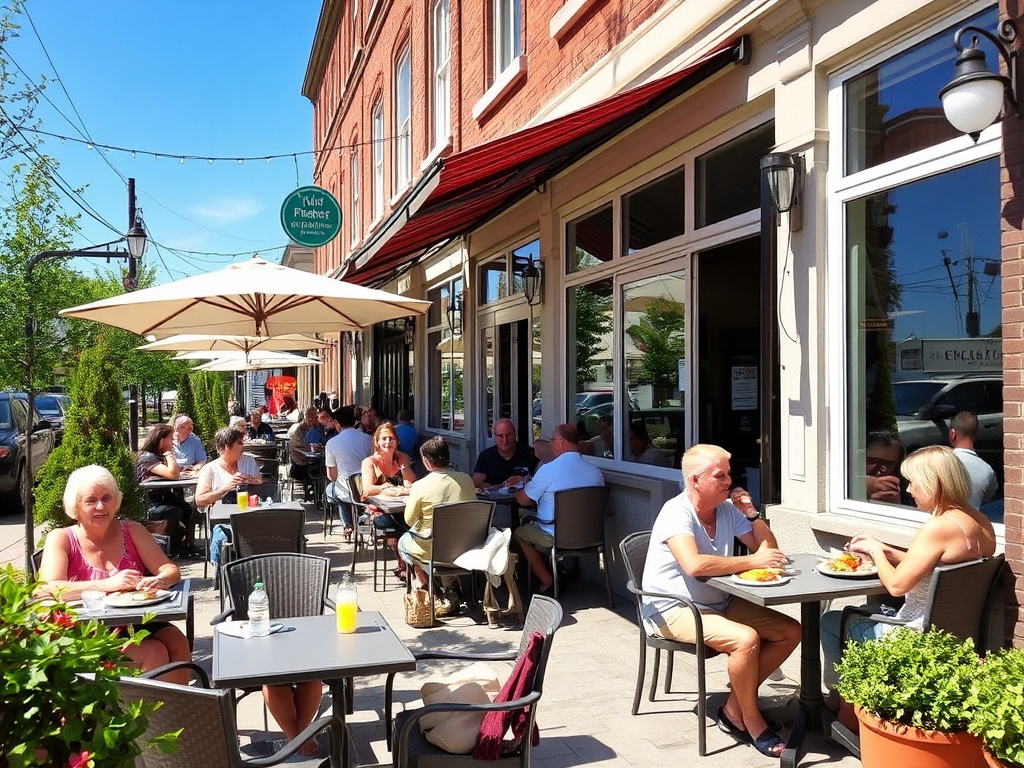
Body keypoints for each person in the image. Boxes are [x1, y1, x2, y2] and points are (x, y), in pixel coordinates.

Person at [641, 443, 799, 758]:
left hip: (719, 600)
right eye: (720, 475)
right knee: (745, 640)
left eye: (729, 474)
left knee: (791, 631)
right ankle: (751, 721)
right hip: (674, 607)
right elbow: (695, 565)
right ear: (695, 481)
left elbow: (769, 552)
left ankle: (733, 707)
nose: (729, 481)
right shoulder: (677, 512)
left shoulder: (727, 508)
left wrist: (752, 514)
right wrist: (752, 562)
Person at [820, 444, 997, 691]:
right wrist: (889, 551)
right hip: (955, 634)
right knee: (869, 608)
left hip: (913, 636)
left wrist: (875, 551)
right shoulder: (980, 522)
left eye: (913, 482)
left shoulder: (937, 527)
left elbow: (896, 586)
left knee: (829, 621)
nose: (908, 489)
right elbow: (936, 563)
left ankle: (845, 703)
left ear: (933, 482)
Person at [37, 465, 191, 685]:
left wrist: (160, 580)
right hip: (87, 629)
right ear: (76, 505)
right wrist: (108, 584)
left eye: (107, 498)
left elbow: (171, 569)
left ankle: (179, 714)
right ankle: (149, 717)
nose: (101, 506)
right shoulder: (61, 538)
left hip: (135, 620)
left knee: (177, 641)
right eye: (91, 500)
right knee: (154, 651)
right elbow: (49, 588)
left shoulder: (132, 530)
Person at [513, 423, 604, 593]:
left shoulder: (549, 470)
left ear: (560, 442)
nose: (550, 444)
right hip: (591, 536)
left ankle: (548, 579)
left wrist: (518, 490)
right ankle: (560, 571)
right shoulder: (595, 472)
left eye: (552, 440)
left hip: (554, 535)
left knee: (520, 533)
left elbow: (524, 500)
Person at [397, 437, 477, 588]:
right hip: (466, 546)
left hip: (433, 550)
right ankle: (449, 585)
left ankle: (424, 585)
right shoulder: (466, 480)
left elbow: (409, 520)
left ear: (426, 462)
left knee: (403, 542)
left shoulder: (419, 486)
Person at [195, 427, 264, 571]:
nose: (243, 446)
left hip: (250, 515)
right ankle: (221, 572)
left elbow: (260, 481)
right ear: (227, 446)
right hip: (224, 519)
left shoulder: (248, 461)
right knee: (222, 535)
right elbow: (200, 500)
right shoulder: (210, 469)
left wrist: (249, 479)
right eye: (239, 442)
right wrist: (225, 488)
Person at [135, 424, 194, 556]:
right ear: (161, 440)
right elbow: (173, 474)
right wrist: (169, 454)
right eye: (171, 439)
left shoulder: (156, 456)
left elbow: (174, 472)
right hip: (150, 501)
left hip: (162, 496)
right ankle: (173, 547)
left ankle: (185, 543)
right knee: (175, 510)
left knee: (187, 508)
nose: (173, 443)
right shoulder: (147, 458)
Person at [324, 406, 373, 541]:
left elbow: (331, 476)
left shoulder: (332, 443)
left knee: (333, 490)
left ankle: (348, 524)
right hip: (367, 490)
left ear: (337, 423)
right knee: (346, 490)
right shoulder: (369, 439)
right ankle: (356, 522)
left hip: (346, 491)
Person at [949, 410, 998, 509]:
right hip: (972, 521)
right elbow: (987, 498)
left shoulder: (940, 462)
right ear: (975, 435)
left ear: (953, 433)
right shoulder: (987, 470)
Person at [472, 418, 538, 491]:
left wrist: (526, 480)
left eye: (508, 435)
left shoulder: (529, 453)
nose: (505, 440)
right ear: (495, 436)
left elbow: (541, 481)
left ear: (514, 435)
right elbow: (476, 484)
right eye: (501, 436)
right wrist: (505, 485)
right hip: (496, 501)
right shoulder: (485, 456)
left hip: (523, 500)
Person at [864, 430, 905, 504]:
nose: (883, 469)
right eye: (874, 461)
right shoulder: (843, 483)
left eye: (889, 463)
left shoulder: (907, 490)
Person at [287, 407, 318, 484]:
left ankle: (319, 491)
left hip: (313, 462)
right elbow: (298, 447)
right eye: (315, 417)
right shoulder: (299, 430)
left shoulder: (317, 427)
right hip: (300, 465)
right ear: (309, 418)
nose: (317, 420)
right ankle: (317, 490)